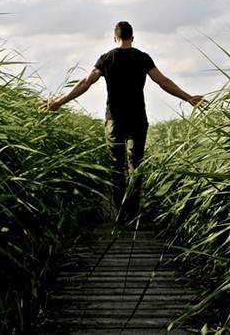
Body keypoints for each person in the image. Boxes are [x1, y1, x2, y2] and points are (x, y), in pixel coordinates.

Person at [45, 21, 203, 223]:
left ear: (114, 37)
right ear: (132, 37)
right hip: (138, 119)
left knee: (116, 166)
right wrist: (188, 98)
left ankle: (120, 214)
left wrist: (58, 102)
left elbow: (86, 82)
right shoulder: (142, 58)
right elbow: (163, 82)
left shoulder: (106, 59)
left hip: (115, 120)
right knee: (135, 166)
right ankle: (133, 214)